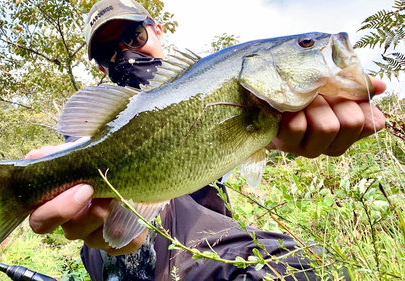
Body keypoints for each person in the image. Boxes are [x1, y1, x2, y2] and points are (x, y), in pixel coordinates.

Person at [26, 0, 387, 279]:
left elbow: (244, 152)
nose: (127, 53)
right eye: (109, 53)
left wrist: (277, 134)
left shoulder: (222, 81)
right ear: (103, 69)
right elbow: (104, 218)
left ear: (158, 30)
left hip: (213, 240)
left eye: (134, 37)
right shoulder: (95, 125)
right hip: (142, 249)